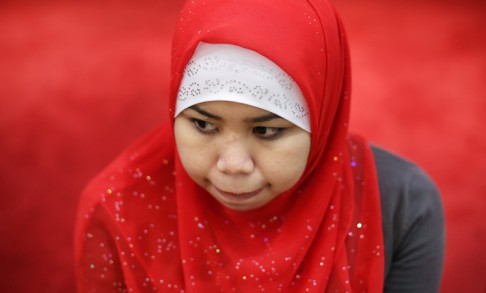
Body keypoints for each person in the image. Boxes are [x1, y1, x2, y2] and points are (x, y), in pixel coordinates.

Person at [74, 0, 445, 292]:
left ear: (323, 117)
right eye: (203, 124)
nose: (233, 164)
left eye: (267, 131)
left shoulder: (401, 204)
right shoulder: (119, 207)